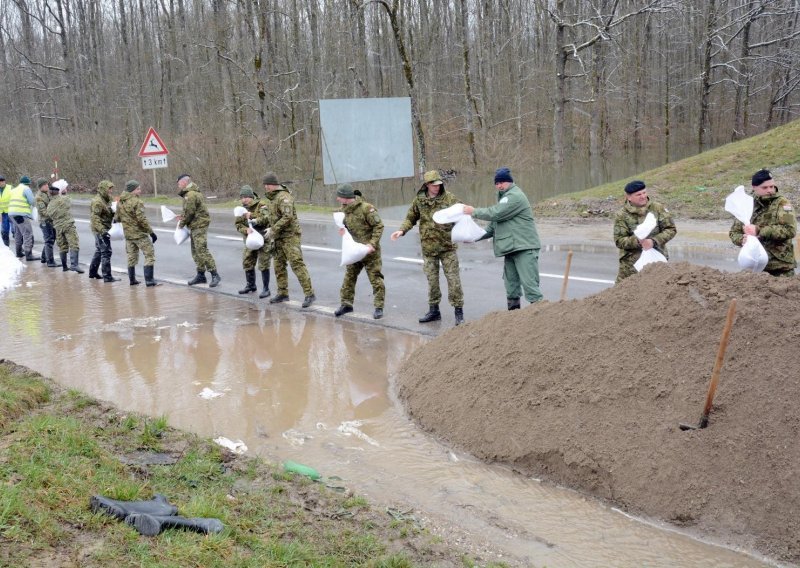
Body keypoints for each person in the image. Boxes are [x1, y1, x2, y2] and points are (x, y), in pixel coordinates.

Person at [391, 169, 464, 325]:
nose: (437, 187)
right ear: (427, 185)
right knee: (432, 282)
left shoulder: (449, 199)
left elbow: (462, 215)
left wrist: (465, 232)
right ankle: (434, 311)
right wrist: (401, 230)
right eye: (434, 185)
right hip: (429, 249)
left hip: (447, 248)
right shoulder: (419, 201)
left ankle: (459, 313)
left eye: (439, 184)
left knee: (454, 281)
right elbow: (410, 218)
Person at [463, 167, 542, 310]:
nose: (499, 186)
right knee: (511, 286)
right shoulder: (503, 199)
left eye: (502, 182)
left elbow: (496, 213)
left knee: (530, 286)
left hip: (524, 247)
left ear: (510, 182)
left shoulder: (515, 196)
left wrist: (473, 211)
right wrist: (472, 238)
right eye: (497, 183)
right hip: (510, 248)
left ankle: (540, 317)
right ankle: (512, 319)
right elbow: (492, 228)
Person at [255, 173, 315, 308]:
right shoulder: (273, 198)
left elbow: (287, 217)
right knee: (279, 265)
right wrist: (265, 225)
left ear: (271, 185)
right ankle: (283, 293)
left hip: (290, 236)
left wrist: (273, 230)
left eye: (266, 185)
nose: (265, 187)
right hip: (278, 238)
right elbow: (273, 217)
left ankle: (309, 294)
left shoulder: (284, 197)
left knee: (296, 264)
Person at [729, 168, 796, 277]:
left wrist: (759, 230)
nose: (769, 190)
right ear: (754, 187)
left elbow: (790, 230)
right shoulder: (746, 205)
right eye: (764, 187)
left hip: (780, 267)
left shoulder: (783, 204)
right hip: (755, 267)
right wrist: (742, 239)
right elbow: (734, 232)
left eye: (772, 186)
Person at [334, 184, 385, 319]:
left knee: (376, 279)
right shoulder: (343, 210)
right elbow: (344, 226)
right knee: (349, 278)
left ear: (346, 197)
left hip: (370, 252)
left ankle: (379, 307)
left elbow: (379, 226)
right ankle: (346, 305)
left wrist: (372, 244)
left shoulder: (366, 208)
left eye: (339, 196)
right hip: (354, 251)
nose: (337, 199)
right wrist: (342, 229)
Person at [612, 180, 677, 283]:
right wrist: (638, 241)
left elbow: (671, 229)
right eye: (638, 194)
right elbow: (619, 241)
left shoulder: (657, 208)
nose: (643, 196)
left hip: (657, 260)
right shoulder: (622, 215)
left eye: (644, 193)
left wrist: (653, 241)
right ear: (629, 197)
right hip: (631, 266)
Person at [176, 174, 221, 287]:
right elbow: (189, 211)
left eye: (179, 183)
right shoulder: (192, 193)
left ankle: (215, 275)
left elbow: (190, 212)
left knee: (201, 250)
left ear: (184, 182)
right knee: (196, 251)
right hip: (195, 224)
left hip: (199, 225)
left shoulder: (190, 194)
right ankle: (201, 275)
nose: (178, 185)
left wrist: (181, 224)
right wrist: (182, 216)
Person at [115, 179, 159, 286]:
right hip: (140, 234)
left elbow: (117, 218)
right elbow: (142, 219)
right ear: (132, 191)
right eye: (138, 189)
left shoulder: (120, 201)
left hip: (129, 235)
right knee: (149, 255)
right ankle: (149, 280)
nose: (140, 191)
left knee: (131, 257)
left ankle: (132, 280)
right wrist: (151, 232)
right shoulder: (137, 202)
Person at [236, 185, 272, 298]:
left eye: (246, 197)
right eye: (242, 197)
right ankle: (251, 285)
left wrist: (252, 216)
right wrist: (245, 230)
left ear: (251, 196)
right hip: (250, 240)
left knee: (264, 263)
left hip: (263, 238)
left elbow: (266, 218)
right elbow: (238, 224)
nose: (244, 199)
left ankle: (266, 289)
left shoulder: (261, 205)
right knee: (247, 261)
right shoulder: (240, 209)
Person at [46, 179, 85, 273]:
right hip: (68, 225)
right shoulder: (64, 199)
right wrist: (63, 193)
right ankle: (74, 265)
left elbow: (49, 215)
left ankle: (64, 266)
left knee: (62, 246)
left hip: (58, 227)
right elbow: (68, 203)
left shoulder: (50, 205)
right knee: (74, 244)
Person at [89, 180, 120, 282]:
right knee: (106, 251)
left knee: (99, 250)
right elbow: (95, 218)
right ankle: (107, 276)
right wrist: (102, 231)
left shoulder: (108, 199)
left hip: (107, 227)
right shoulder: (97, 201)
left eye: (111, 189)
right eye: (109, 189)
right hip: (99, 229)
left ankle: (92, 272)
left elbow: (112, 211)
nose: (111, 191)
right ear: (103, 189)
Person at [8, 175, 39, 261]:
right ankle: (29, 254)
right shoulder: (26, 189)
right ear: (28, 184)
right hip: (21, 214)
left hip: (11, 214)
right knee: (27, 233)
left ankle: (18, 252)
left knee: (18, 232)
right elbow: (32, 201)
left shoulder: (13, 190)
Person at [35, 179, 58, 268]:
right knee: (49, 240)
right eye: (45, 185)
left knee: (52, 239)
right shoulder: (39, 197)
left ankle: (44, 257)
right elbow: (43, 212)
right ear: (41, 186)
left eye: (47, 185)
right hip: (45, 221)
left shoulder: (46, 194)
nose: (47, 186)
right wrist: (54, 213)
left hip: (50, 221)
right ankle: (50, 261)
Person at [0, 174, 12, 247]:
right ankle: (6, 246)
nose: (1, 183)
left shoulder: (10, 188)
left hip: (11, 212)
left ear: (4, 181)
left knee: (15, 231)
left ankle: (19, 247)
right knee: (5, 231)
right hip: (3, 213)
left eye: (2, 181)